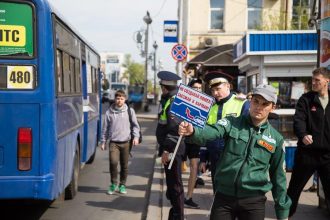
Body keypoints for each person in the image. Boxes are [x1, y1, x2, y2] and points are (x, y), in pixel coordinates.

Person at [178, 84, 291, 220]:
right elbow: (212, 131)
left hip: (254, 201)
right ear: (250, 102)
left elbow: (279, 177)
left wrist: (282, 213)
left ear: (273, 107)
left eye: (265, 104)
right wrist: (193, 131)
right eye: (255, 101)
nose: (259, 107)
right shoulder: (231, 122)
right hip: (224, 197)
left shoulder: (276, 139)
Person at [287, 67, 330, 217]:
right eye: (312, 80)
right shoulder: (305, 99)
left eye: (317, 80)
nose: (313, 82)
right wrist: (303, 134)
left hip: (328, 156)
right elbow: (298, 120)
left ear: (327, 81)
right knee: (293, 190)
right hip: (307, 154)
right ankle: (286, 215)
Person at [202, 74, 250, 193]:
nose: (215, 93)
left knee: (234, 191)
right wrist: (203, 158)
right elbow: (205, 134)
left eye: (218, 89)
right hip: (215, 158)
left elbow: (248, 131)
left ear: (228, 86)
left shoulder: (242, 103)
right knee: (217, 190)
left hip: (235, 158)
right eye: (212, 90)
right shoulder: (210, 107)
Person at [156, 71, 185, 220]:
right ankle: (175, 212)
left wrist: (166, 150)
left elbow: (174, 131)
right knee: (172, 184)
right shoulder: (169, 100)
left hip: (173, 149)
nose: (161, 90)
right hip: (169, 149)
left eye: (162, 87)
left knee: (175, 185)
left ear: (165, 87)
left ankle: (178, 215)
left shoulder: (174, 102)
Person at [100, 90, 140, 195]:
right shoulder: (109, 112)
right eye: (118, 98)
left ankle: (122, 185)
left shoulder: (130, 111)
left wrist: (136, 137)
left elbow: (136, 126)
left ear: (125, 99)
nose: (119, 101)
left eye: (122, 99)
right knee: (113, 163)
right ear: (115, 99)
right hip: (114, 143)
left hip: (126, 142)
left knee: (124, 165)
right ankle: (113, 184)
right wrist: (103, 141)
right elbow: (105, 129)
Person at [183, 78, 203, 209]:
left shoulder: (204, 104)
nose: (198, 90)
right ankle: (175, 193)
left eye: (200, 88)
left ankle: (189, 197)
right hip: (182, 139)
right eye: (195, 88)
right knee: (177, 167)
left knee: (194, 167)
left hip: (195, 139)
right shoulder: (183, 101)